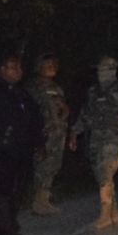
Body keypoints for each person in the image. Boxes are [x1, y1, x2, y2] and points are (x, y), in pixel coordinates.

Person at [0, 48, 44, 235]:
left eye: (19, 67)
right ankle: (8, 234)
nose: (18, 71)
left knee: (16, 190)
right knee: (2, 191)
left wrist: (39, 143)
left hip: (19, 149)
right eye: (13, 67)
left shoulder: (20, 92)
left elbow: (33, 119)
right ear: (2, 69)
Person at [69, 56, 118, 228]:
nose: (102, 73)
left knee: (106, 172)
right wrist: (75, 132)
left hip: (115, 137)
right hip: (96, 137)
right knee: (100, 173)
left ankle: (105, 213)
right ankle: (113, 212)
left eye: (106, 69)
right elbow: (85, 113)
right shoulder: (93, 91)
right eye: (100, 69)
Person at [26, 52, 69, 215]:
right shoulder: (34, 87)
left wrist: (64, 111)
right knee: (42, 165)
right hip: (43, 132)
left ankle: (44, 199)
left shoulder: (56, 87)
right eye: (47, 65)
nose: (51, 68)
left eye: (53, 65)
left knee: (53, 165)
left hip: (58, 131)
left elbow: (63, 107)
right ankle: (38, 202)